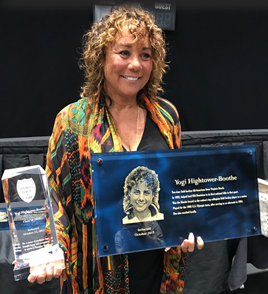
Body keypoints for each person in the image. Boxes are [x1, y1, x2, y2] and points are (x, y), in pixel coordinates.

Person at [28, 4, 204, 293]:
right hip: (96, 276)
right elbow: (52, 197)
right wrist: (46, 250)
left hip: (158, 274)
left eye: (145, 55)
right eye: (124, 52)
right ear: (101, 57)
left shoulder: (167, 116)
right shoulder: (73, 121)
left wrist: (192, 223)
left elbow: (176, 189)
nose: (136, 64)